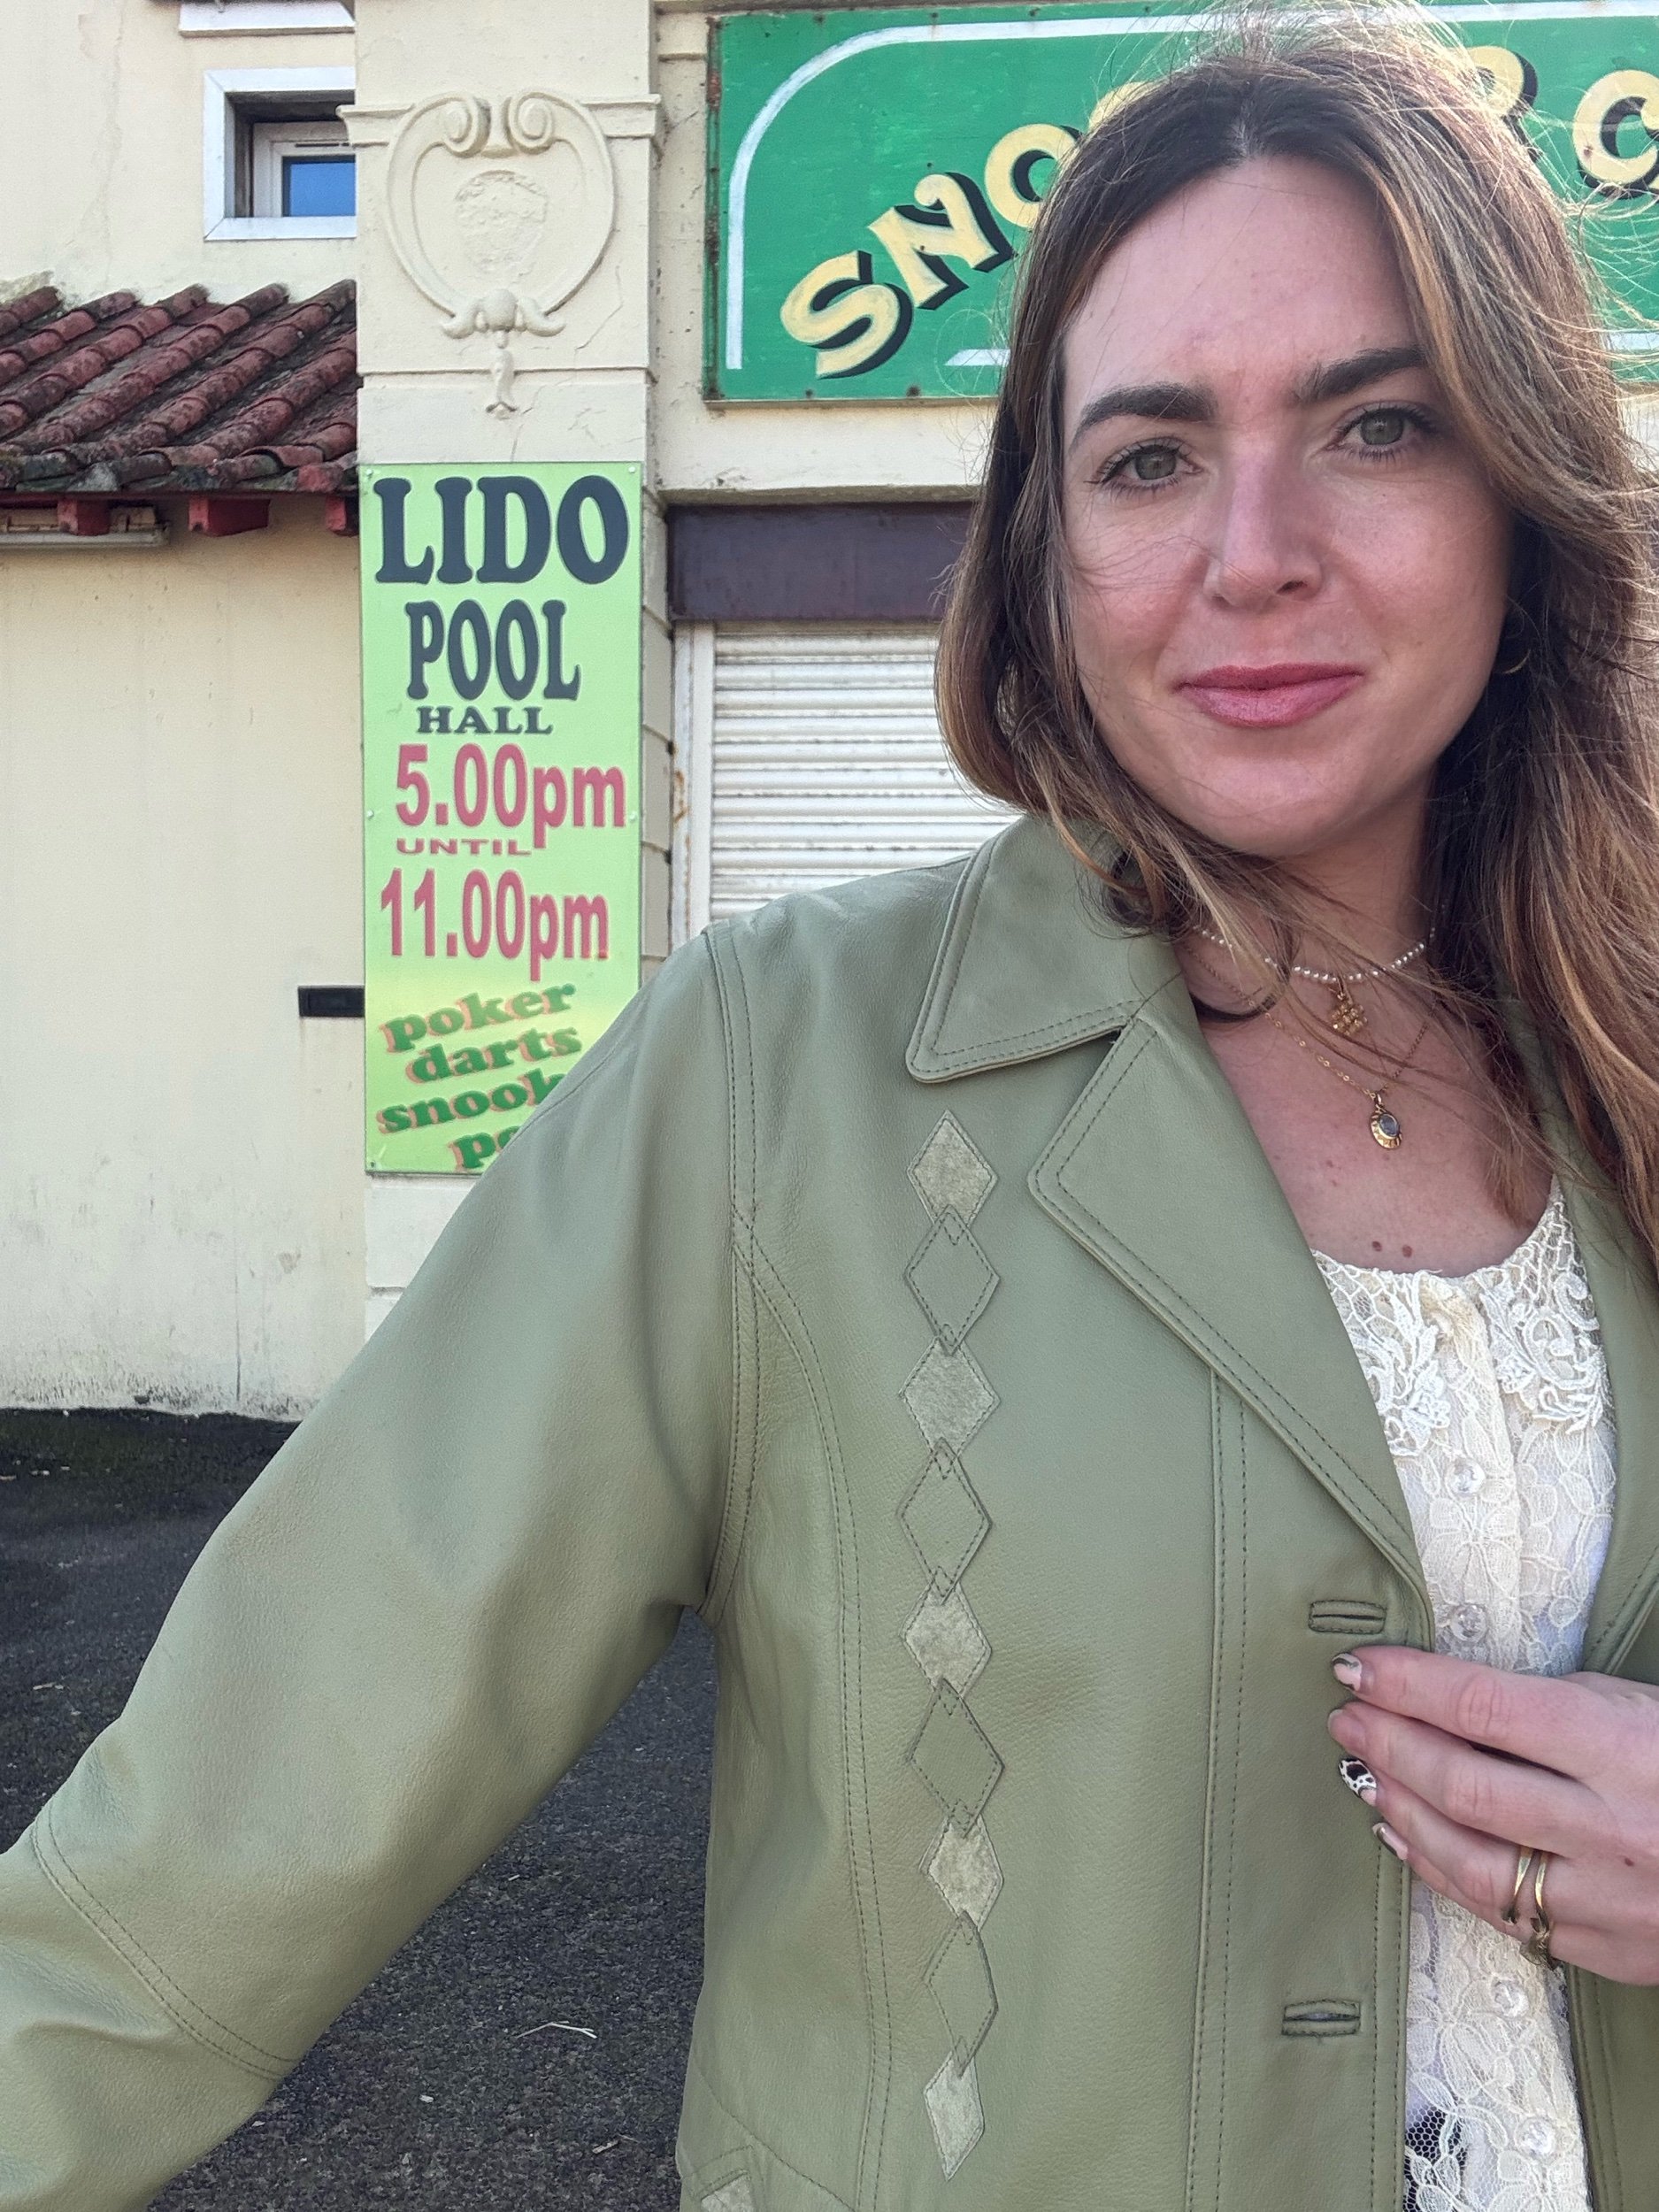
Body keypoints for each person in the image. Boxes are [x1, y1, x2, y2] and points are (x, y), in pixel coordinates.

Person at [6, 13, 1659, 2210]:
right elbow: (227, 1827)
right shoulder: (774, 1072)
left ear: (1520, 491)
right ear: (1045, 540)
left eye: (1376, 425)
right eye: (1146, 457)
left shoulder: (1624, 1045)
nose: (1250, 551)